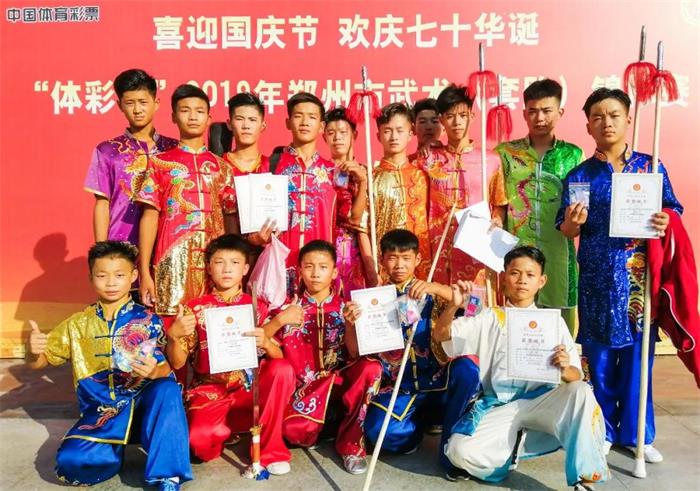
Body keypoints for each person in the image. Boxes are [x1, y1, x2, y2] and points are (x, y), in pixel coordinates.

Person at [557, 88, 682, 463]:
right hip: (595, 278)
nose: (606, 123)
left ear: (628, 119)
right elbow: (565, 229)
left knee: (638, 358)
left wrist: (665, 219)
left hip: (638, 280)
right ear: (587, 126)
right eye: (597, 117)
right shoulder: (579, 175)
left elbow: (673, 210)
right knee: (598, 359)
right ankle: (603, 430)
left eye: (613, 115)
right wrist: (572, 222)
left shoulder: (651, 167)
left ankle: (638, 433)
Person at [434, 246, 609, 490]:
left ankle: (585, 478)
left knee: (580, 391)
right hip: (500, 405)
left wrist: (563, 368)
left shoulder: (553, 323)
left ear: (542, 281)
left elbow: (576, 374)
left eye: (530, 275)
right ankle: (508, 453)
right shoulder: (488, 317)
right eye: (515, 273)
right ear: (504, 277)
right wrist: (453, 307)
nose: (522, 280)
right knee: (458, 451)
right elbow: (442, 336)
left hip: (542, 401)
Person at [25, 241, 191, 490]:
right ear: (91, 277)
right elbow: (40, 363)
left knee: (166, 389)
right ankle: (112, 453)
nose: (111, 283)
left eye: (119, 275)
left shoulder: (148, 320)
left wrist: (155, 369)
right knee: (71, 464)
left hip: (143, 410)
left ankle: (167, 476)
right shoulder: (76, 324)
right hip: (101, 417)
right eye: (102, 276)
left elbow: (169, 367)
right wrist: (32, 352)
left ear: (133, 276)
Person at [165, 234, 296, 478]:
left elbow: (278, 355)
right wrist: (173, 336)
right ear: (208, 267)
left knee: (282, 369)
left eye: (234, 263)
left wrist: (266, 342)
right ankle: (227, 428)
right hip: (211, 389)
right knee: (200, 442)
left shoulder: (257, 307)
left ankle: (271, 452)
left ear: (245, 269)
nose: (227, 269)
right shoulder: (196, 308)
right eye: (219, 262)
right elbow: (178, 362)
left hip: (249, 388)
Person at [351, 230, 478, 456]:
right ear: (382, 260)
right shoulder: (372, 300)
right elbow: (354, 352)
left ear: (418, 259)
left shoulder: (433, 292)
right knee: (379, 432)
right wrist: (350, 323)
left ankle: (449, 439)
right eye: (392, 258)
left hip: (439, 383)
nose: (399, 265)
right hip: (401, 389)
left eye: (406, 258)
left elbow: (476, 307)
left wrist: (436, 288)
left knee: (468, 369)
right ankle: (416, 429)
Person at [265, 240, 383, 474]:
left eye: (323, 267)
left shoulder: (348, 308)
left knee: (371, 368)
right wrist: (279, 321)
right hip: (305, 390)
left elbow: (355, 354)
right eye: (309, 267)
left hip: (340, 386)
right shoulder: (288, 310)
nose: (315, 273)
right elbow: (267, 346)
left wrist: (350, 326)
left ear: (334, 272)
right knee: (296, 432)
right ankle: (324, 427)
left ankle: (351, 445)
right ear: (300, 271)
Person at [136, 84, 236, 318]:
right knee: (172, 324)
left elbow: (231, 220)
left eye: (199, 111)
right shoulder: (158, 163)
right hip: (172, 258)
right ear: (173, 116)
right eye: (185, 110)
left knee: (214, 323)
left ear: (208, 118)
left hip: (215, 262)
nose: (192, 117)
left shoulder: (222, 167)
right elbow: (150, 217)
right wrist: (145, 272)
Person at [493, 79, 583, 330]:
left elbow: (581, 203)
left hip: (559, 254)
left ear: (560, 112)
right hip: (516, 253)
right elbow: (497, 198)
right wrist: (497, 217)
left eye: (547, 110)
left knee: (559, 329)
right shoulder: (505, 153)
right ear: (524, 114)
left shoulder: (573, 155)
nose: (540, 118)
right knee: (514, 328)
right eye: (533, 111)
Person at [418, 84, 506, 285]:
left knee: (477, 303)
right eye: (450, 116)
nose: (457, 122)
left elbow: (499, 203)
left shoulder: (491, 160)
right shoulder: (428, 159)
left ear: (472, 117)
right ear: (441, 120)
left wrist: (497, 219)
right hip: (438, 251)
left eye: (462, 116)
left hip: (477, 252)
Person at [84, 69, 177, 246]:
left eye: (143, 102)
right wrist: (101, 251)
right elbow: (102, 204)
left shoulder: (173, 148)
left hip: (166, 245)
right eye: (130, 103)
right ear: (120, 105)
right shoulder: (107, 151)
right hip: (121, 245)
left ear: (156, 103)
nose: (137, 110)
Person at [265, 93, 340, 295]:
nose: (305, 122)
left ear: (322, 126)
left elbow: (348, 221)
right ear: (288, 122)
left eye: (312, 117)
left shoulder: (334, 172)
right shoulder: (270, 166)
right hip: (280, 264)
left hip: (320, 270)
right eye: (298, 116)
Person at [373, 103, 431, 279]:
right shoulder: (370, 177)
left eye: (399, 130)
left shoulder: (424, 174)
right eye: (387, 131)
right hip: (385, 267)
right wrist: (371, 268)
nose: (394, 137)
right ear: (378, 136)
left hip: (422, 264)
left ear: (411, 133)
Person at [323, 106, 377, 296]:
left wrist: (362, 181)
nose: (337, 138)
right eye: (331, 133)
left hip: (357, 249)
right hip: (326, 243)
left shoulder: (368, 172)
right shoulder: (321, 172)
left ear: (354, 135)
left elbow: (357, 220)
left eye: (343, 132)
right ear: (324, 137)